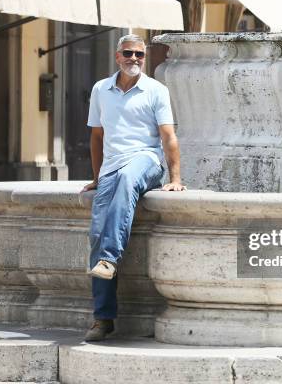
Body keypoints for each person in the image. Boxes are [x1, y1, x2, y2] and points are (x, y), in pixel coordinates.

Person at [81, 34, 186, 341]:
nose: (135, 59)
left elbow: (168, 137)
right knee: (97, 232)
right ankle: (103, 318)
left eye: (140, 54)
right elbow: (97, 138)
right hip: (113, 166)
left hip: (146, 161)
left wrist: (175, 179)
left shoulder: (156, 91)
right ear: (118, 56)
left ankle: (110, 258)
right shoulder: (101, 89)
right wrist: (98, 177)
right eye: (129, 53)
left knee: (129, 180)